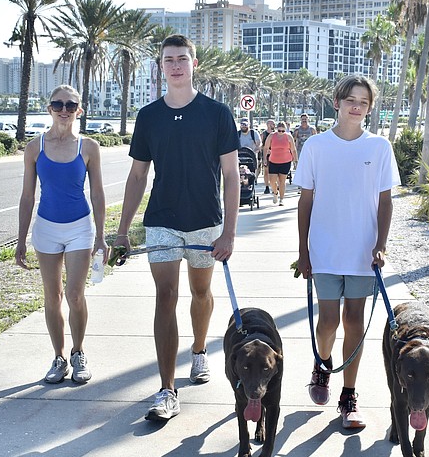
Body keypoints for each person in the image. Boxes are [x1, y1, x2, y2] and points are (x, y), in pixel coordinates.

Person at [114, 34, 240, 421]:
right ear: (161, 67)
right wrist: (122, 230)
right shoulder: (149, 116)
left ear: (194, 64)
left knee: (201, 292)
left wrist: (229, 232)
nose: (175, 65)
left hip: (205, 222)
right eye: (168, 60)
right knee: (165, 295)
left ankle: (199, 350)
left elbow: (232, 175)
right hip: (162, 221)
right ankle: (167, 389)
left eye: (182, 59)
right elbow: (137, 176)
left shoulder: (217, 113)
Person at [293, 75, 400, 430]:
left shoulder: (379, 147)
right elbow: (305, 201)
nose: (357, 106)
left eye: (364, 102)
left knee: (354, 321)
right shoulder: (316, 146)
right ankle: (322, 365)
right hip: (324, 251)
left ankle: (349, 396)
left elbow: (385, 201)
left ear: (370, 108)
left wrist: (380, 244)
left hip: (362, 254)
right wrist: (304, 251)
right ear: (337, 102)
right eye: (351, 100)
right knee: (328, 322)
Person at [16, 85, 108, 385]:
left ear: (79, 109)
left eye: (70, 105)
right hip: (46, 228)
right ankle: (59, 357)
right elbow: (27, 196)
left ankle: (78, 352)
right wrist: (21, 239)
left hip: (80, 227)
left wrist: (101, 237)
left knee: (74, 295)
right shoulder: (35, 147)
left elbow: (97, 194)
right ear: (49, 109)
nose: (64, 110)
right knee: (52, 296)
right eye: (58, 104)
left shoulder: (89, 147)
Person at [263, 120, 297, 206]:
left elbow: (293, 150)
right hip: (273, 161)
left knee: (282, 181)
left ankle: (281, 199)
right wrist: (264, 159)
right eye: (279, 130)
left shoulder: (289, 137)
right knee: (272, 181)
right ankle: (275, 193)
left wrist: (296, 161)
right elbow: (266, 147)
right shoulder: (271, 136)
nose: (281, 132)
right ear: (276, 129)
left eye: (283, 131)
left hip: (285, 161)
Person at [261, 119, 276, 194]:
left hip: (275, 154)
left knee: (274, 172)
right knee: (266, 171)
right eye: (272, 124)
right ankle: (267, 187)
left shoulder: (276, 134)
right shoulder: (264, 134)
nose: (274, 125)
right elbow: (261, 145)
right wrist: (265, 151)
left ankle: (274, 186)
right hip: (267, 154)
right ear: (268, 125)